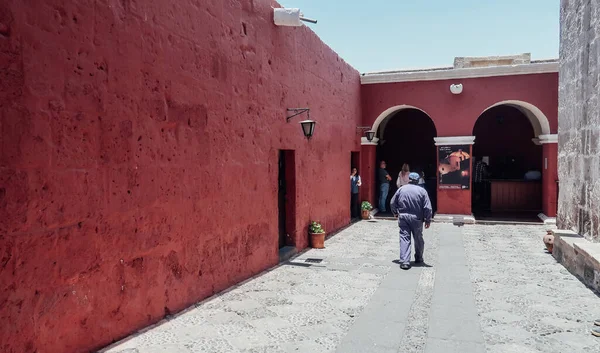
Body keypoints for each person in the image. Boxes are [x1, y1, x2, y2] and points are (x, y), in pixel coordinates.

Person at [390, 172, 433, 270]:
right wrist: (427, 220)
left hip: (403, 217)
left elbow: (392, 202)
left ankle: (405, 262)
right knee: (418, 238)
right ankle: (418, 258)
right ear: (418, 180)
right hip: (417, 218)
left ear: (409, 179)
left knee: (404, 238)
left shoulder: (401, 189)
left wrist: (395, 213)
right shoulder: (422, 191)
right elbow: (427, 208)